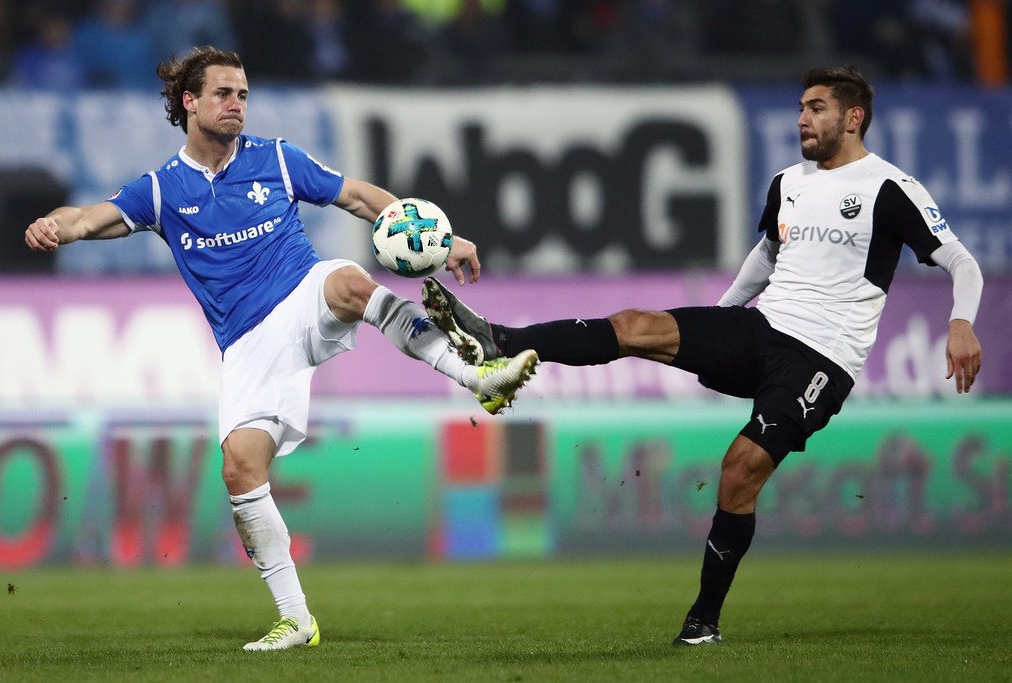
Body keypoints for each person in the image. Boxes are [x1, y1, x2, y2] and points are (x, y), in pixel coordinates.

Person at [420, 65, 983, 646]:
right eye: (800, 108)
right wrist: (717, 319)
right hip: (761, 329)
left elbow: (962, 262)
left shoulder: (890, 189)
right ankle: (500, 340)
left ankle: (702, 622)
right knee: (636, 325)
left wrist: (961, 324)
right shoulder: (789, 183)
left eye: (816, 108)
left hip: (819, 360)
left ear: (853, 117)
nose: (801, 119)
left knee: (739, 471)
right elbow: (765, 257)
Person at [24, 45, 538, 651]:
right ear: (189, 101)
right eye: (223, 93)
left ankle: (479, 378)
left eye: (243, 93)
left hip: (302, 292)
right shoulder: (161, 191)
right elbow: (86, 218)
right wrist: (52, 225)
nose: (237, 104)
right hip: (247, 343)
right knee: (240, 472)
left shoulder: (277, 159)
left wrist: (441, 237)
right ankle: (296, 620)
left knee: (348, 281)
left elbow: (358, 197)